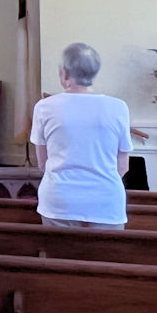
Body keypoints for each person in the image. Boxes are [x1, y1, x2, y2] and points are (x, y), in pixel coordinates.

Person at [30, 42, 131, 229]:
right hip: (106, 201)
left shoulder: (44, 107)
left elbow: (43, 163)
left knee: (60, 249)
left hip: (59, 201)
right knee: (107, 250)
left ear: (64, 73)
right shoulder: (118, 107)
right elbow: (123, 166)